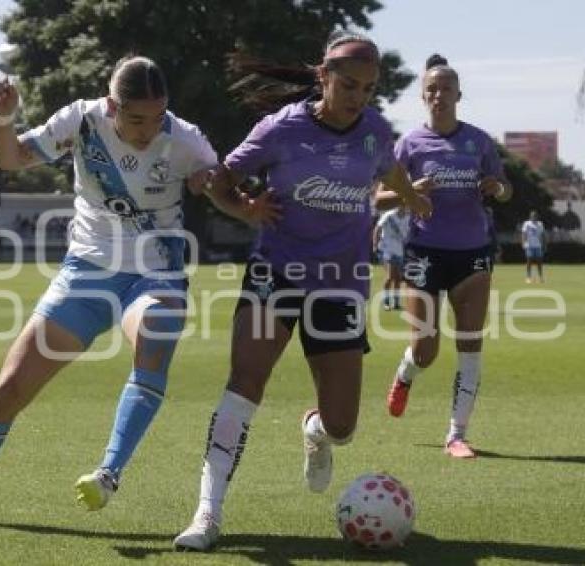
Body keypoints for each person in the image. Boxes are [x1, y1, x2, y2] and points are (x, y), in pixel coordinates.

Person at [0, 55, 233, 525]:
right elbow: (9, 158)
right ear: (111, 104)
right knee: (7, 391)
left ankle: (108, 472)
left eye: (158, 116)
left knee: (155, 331)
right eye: (136, 119)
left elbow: (218, 184)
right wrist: (3, 117)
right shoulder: (81, 120)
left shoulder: (184, 138)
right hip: (86, 273)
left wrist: (210, 184)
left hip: (155, 273)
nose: (148, 130)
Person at [173, 31, 430, 551]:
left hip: (340, 287)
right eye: (349, 85)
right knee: (244, 383)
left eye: (368, 88)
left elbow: (391, 174)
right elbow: (220, 180)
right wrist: (244, 208)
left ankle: (314, 429)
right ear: (324, 76)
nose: (357, 96)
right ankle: (207, 514)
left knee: (343, 427)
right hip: (276, 272)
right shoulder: (280, 130)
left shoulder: (375, 132)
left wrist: (409, 197)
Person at [382, 54, 512, 460]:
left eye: (446, 89)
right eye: (431, 90)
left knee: (470, 344)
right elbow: (378, 197)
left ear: (458, 94)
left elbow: (506, 190)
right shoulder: (409, 144)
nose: (439, 95)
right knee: (426, 349)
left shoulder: (479, 141)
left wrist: (497, 187)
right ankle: (405, 376)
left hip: (473, 254)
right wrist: (409, 191)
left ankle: (457, 434)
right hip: (423, 253)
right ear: (424, 97)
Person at [372, 205, 410, 310]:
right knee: (390, 277)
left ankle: (396, 302)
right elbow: (377, 228)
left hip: (401, 251)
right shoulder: (389, 215)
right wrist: (375, 245)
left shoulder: (409, 217)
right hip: (388, 250)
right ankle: (386, 302)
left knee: (398, 278)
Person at [521, 210, 546, 283]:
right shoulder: (527, 224)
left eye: (535, 216)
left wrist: (544, 244)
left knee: (539, 262)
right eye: (532, 216)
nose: (534, 217)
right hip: (529, 245)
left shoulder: (540, 224)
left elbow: (542, 235)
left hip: (538, 245)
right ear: (530, 216)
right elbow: (523, 233)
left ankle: (540, 277)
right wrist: (523, 243)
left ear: (537, 216)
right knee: (529, 261)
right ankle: (528, 277)